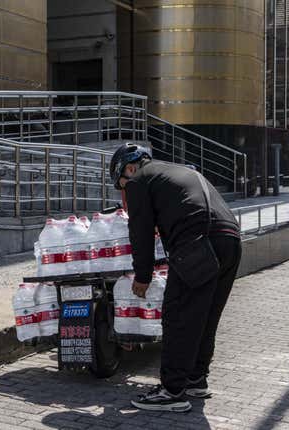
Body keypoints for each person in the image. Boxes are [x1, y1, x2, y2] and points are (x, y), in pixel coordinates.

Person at [109, 143, 242, 413]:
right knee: (205, 315)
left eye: (121, 183)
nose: (124, 190)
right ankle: (195, 378)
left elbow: (141, 231)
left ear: (130, 168)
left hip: (196, 242)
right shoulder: (177, 170)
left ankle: (171, 391)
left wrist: (143, 276)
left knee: (178, 315)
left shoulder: (138, 180)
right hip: (231, 240)